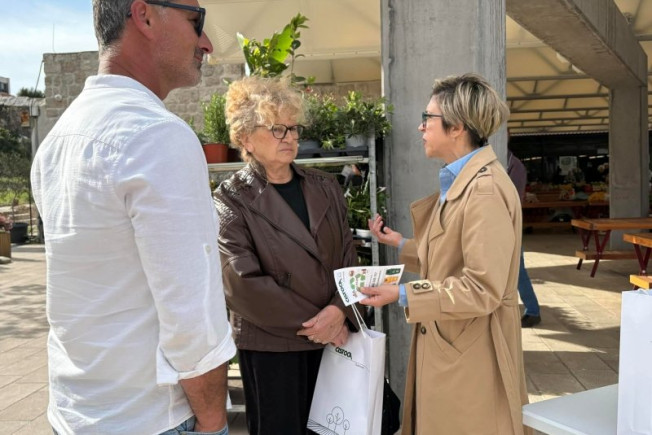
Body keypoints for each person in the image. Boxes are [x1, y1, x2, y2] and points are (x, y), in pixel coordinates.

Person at [30, 1, 236, 433]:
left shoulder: (57, 141)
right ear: (144, 16)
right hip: (151, 416)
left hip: (75, 412)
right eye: (196, 21)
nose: (207, 43)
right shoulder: (156, 135)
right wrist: (214, 421)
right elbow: (192, 319)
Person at [360, 73, 530, 434]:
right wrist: (400, 244)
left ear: (457, 127)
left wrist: (402, 293)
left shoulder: (483, 191)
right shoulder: (466, 181)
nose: (421, 127)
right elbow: (452, 255)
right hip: (457, 341)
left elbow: (482, 288)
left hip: (473, 350)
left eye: (428, 118)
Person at [214, 76, 358, 435]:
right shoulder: (230, 199)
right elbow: (242, 285)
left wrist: (340, 311)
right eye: (277, 129)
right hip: (273, 348)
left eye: (293, 128)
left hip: (334, 338)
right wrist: (323, 324)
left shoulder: (325, 186)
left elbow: (348, 257)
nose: (290, 137)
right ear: (245, 138)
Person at [508, 149, 542, 327]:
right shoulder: (506, 164)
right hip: (504, 224)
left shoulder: (515, 167)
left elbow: (512, 198)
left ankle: (533, 311)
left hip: (509, 224)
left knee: (518, 269)